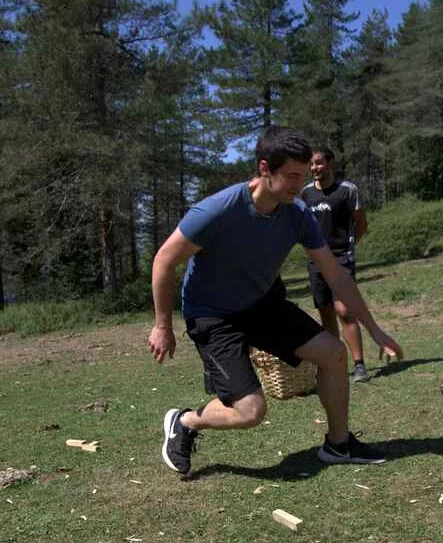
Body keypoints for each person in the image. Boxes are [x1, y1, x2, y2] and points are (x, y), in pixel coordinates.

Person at [147, 126, 404, 476]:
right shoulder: (218, 210)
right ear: (265, 169)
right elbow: (164, 261)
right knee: (251, 411)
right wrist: (162, 325)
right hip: (213, 315)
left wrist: (374, 329)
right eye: (292, 176)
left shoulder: (297, 214)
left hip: (262, 304)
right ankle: (186, 421)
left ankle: (338, 444)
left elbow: (335, 274)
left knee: (333, 353)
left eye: (303, 175)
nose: (300, 185)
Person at [300, 146, 371, 383]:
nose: (314, 168)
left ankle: (359, 365)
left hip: (341, 258)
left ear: (330, 164)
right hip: (316, 260)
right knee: (326, 311)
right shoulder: (306, 193)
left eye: (319, 163)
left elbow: (361, 223)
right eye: (311, 164)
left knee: (344, 310)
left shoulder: (347, 190)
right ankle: (336, 362)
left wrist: (349, 246)